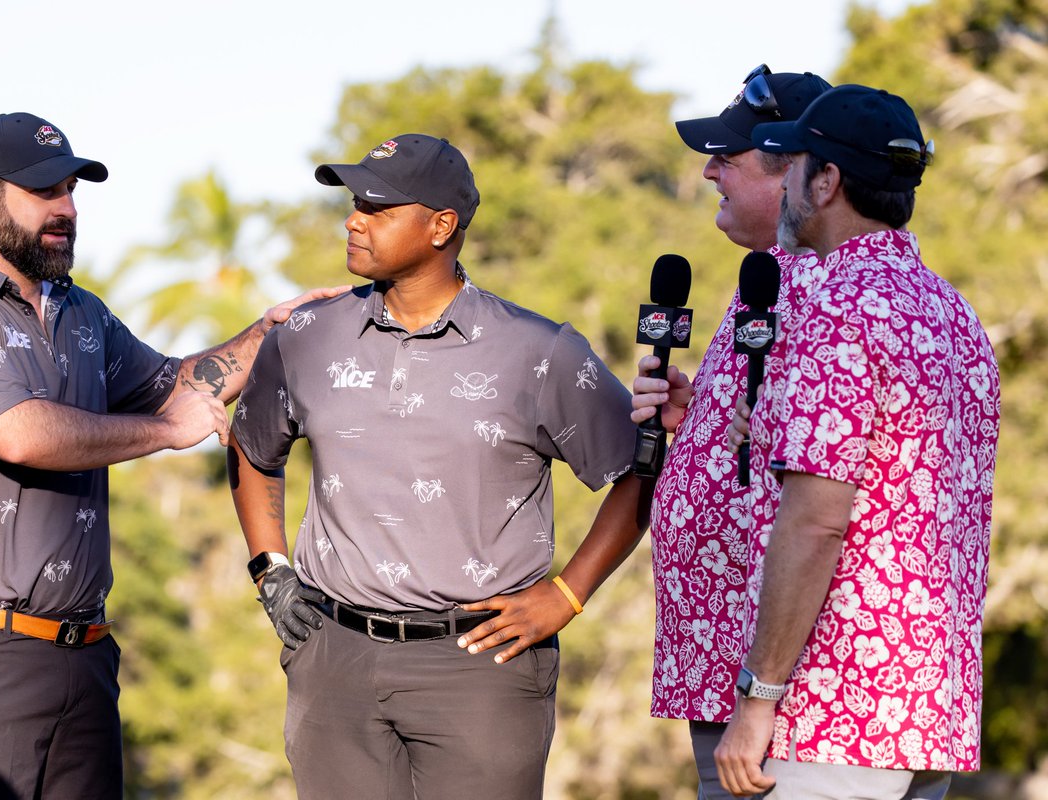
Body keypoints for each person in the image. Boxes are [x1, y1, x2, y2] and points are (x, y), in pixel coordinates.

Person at [0, 112, 344, 799]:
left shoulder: (82, 315)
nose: (66, 209)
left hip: (86, 656)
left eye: (70, 189)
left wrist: (268, 334)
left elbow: (174, 387)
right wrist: (165, 434)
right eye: (44, 193)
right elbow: (20, 433)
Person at [227, 133, 651, 799]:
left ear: (441, 226)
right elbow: (251, 446)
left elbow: (641, 470)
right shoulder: (305, 337)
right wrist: (269, 569)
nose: (353, 220)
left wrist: (567, 597)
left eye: (377, 207)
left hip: (481, 666)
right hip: (334, 656)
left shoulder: (538, 351)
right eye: (353, 203)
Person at [715, 85, 1000, 799]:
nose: (783, 187)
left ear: (827, 180)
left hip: (834, 716)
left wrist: (757, 700)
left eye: (794, 166)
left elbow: (817, 518)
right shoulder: (951, 309)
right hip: (927, 711)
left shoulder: (841, 307)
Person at [629, 64, 830, 800]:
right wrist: (698, 422)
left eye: (729, 156)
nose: (709, 170)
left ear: (799, 174)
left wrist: (763, 695)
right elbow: (771, 449)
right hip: (730, 680)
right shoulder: (768, 280)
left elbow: (821, 510)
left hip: (787, 705)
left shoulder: (822, 291)